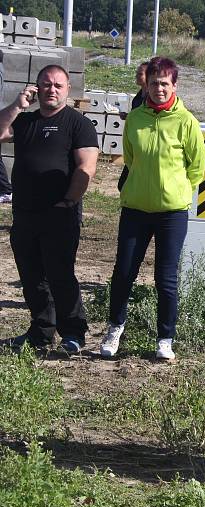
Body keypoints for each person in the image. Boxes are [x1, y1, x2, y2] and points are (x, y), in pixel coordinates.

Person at [99, 57, 205, 361]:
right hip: (135, 209)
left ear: (175, 85)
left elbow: (197, 166)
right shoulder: (135, 118)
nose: (158, 88)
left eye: (164, 83)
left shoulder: (186, 122)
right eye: (153, 83)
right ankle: (114, 329)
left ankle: (165, 338)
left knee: (166, 278)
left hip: (171, 213)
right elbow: (130, 159)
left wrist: (177, 190)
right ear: (145, 84)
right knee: (123, 273)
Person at [0, 65, 99, 352]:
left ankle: (73, 333)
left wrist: (68, 201)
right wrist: (17, 105)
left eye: (57, 85)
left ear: (68, 89)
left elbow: (87, 167)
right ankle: (41, 332)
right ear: (37, 88)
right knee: (31, 275)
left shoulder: (78, 124)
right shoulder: (26, 121)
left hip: (60, 213)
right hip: (25, 212)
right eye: (45, 85)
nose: (51, 90)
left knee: (60, 274)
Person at [117, 61, 148, 192]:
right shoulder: (139, 94)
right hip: (133, 144)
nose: (136, 76)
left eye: (140, 73)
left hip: (142, 145)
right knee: (123, 184)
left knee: (124, 184)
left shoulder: (150, 98)